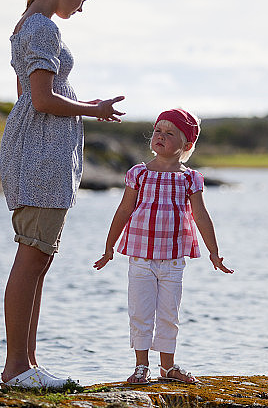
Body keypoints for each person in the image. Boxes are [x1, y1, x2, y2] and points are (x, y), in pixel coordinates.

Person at [0, 0, 125, 388]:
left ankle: (27, 365)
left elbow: (29, 96)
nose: (81, 8)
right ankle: (17, 368)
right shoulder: (43, 28)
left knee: (38, 260)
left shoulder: (28, 25)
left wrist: (77, 106)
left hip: (40, 152)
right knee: (31, 258)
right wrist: (94, 110)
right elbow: (40, 100)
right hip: (41, 157)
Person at [93, 108, 233, 385]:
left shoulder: (190, 178)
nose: (160, 136)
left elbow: (201, 216)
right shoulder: (138, 173)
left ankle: (167, 367)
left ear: (186, 145)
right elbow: (123, 210)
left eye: (170, 133)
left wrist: (214, 253)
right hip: (140, 259)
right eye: (158, 130)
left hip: (173, 260)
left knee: (169, 314)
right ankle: (141, 366)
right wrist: (109, 248)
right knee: (140, 312)